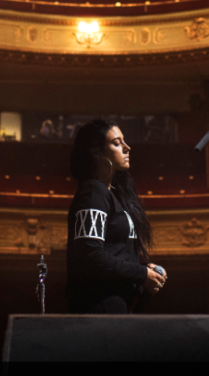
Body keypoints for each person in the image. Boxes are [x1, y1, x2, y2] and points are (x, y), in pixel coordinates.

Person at [66, 118, 166, 313]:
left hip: (115, 303)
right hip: (98, 305)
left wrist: (144, 266)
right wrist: (140, 273)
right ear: (96, 152)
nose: (127, 148)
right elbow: (91, 255)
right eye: (116, 143)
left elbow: (113, 251)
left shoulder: (111, 194)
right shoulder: (93, 193)